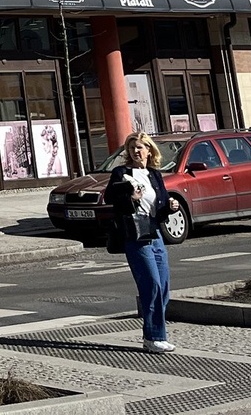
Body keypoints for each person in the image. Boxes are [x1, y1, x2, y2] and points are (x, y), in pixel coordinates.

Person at [105, 132, 174, 352]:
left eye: (140, 147)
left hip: (155, 232)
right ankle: (154, 337)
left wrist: (170, 207)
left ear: (149, 150)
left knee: (163, 285)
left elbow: (160, 206)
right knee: (151, 284)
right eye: (132, 147)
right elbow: (110, 198)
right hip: (135, 233)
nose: (136, 151)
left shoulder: (154, 174)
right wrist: (130, 198)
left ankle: (154, 334)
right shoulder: (121, 173)